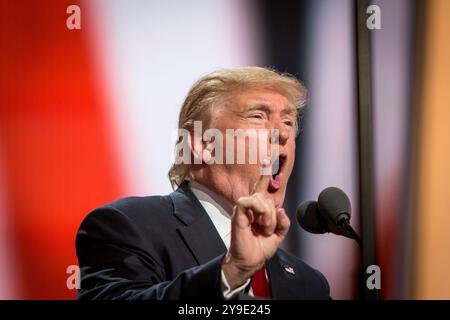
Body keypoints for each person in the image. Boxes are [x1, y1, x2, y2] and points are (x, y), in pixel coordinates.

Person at [76, 67, 330, 300]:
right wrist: (232, 272)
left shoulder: (309, 282)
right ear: (204, 145)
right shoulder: (128, 226)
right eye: (257, 116)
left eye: (288, 121)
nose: (283, 133)